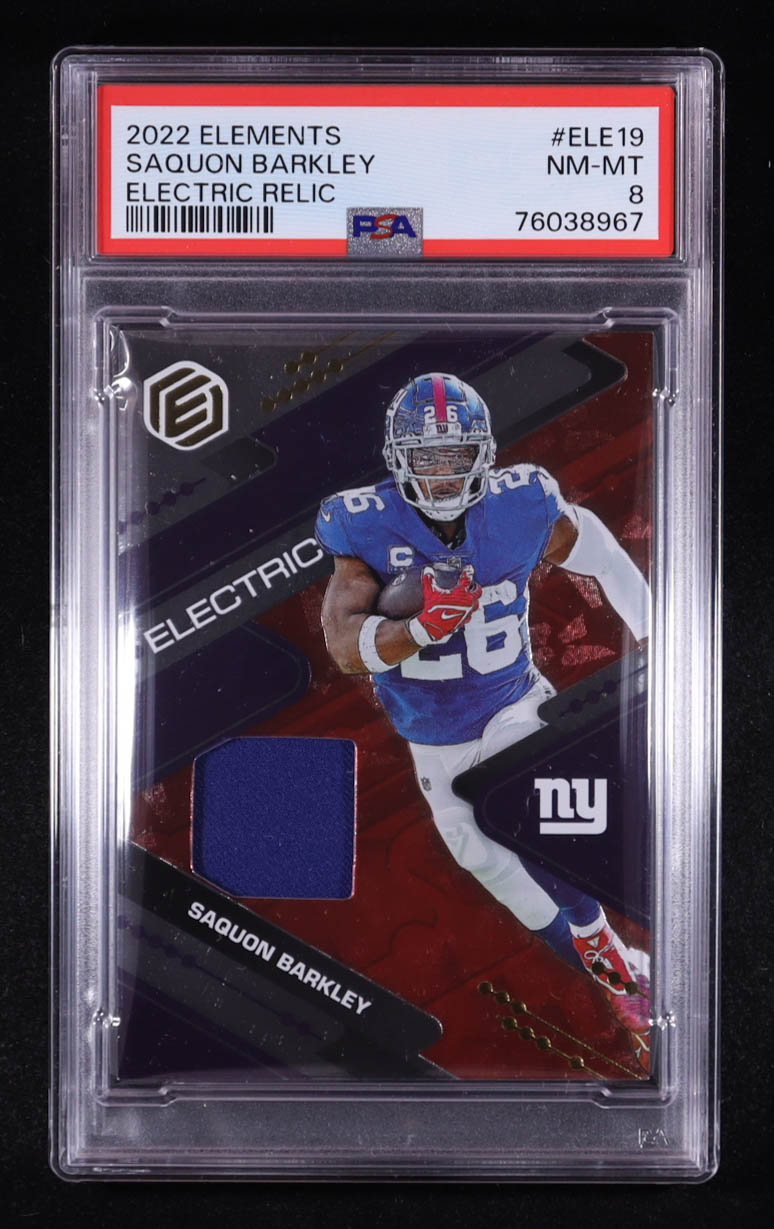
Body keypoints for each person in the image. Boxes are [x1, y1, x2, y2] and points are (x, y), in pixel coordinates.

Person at [315, 372, 651, 1070]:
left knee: (515, 810)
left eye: (455, 456)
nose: (442, 474)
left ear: (484, 454)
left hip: (513, 704)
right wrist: (420, 629)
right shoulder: (364, 522)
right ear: (398, 457)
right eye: (427, 458)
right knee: (482, 857)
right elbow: (344, 646)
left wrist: (658, 635)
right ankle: (619, 971)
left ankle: (607, 951)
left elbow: (602, 553)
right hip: (429, 734)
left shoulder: (521, 503)